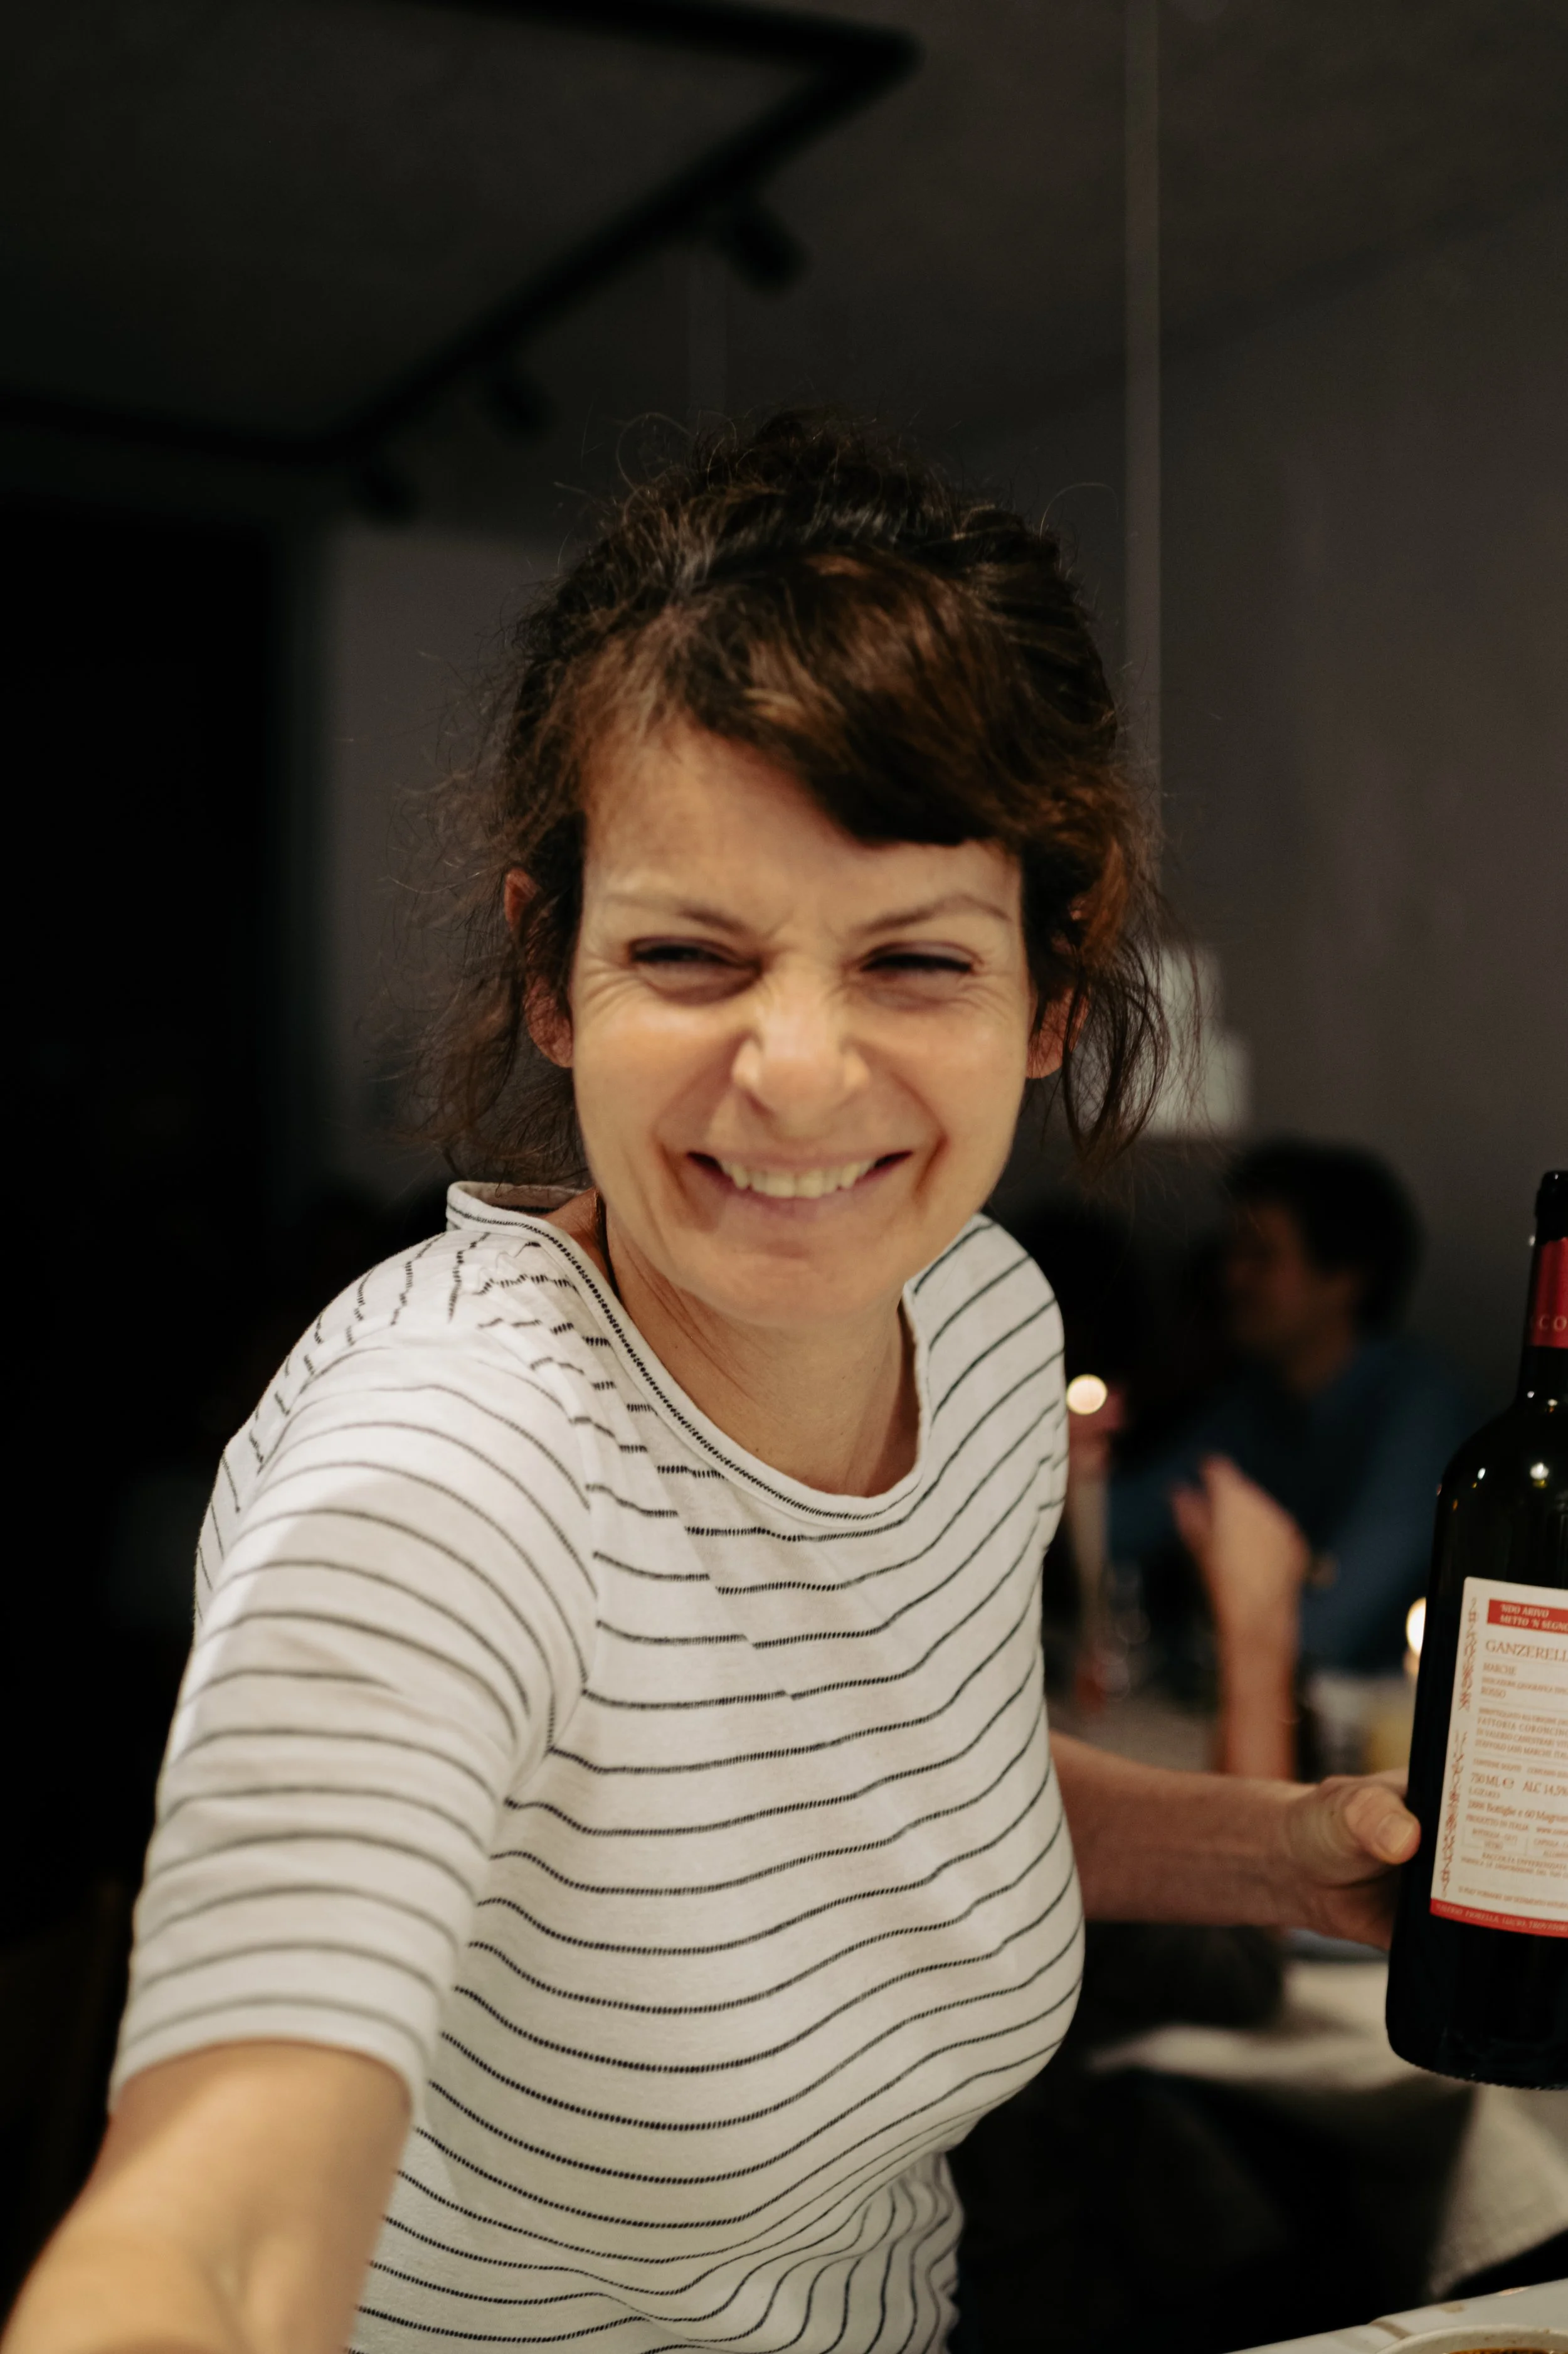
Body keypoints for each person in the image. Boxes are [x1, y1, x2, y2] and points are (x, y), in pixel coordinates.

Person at [6, 417, 1421, 2354]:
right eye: (687, 952)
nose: (798, 1072)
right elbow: (230, 2200)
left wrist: (1281, 1853)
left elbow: (896, 1782)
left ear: (1050, 989)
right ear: (550, 972)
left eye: (913, 963)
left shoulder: (980, 1318)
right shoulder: (442, 1462)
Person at [1107, 1140, 1471, 1679]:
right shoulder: (1257, 1400)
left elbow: (1330, 1624)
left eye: (1260, 1256)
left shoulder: (1421, 1415)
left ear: (1344, 1280)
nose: (1232, 1276)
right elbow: (1128, 1521)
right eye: (1232, 1252)